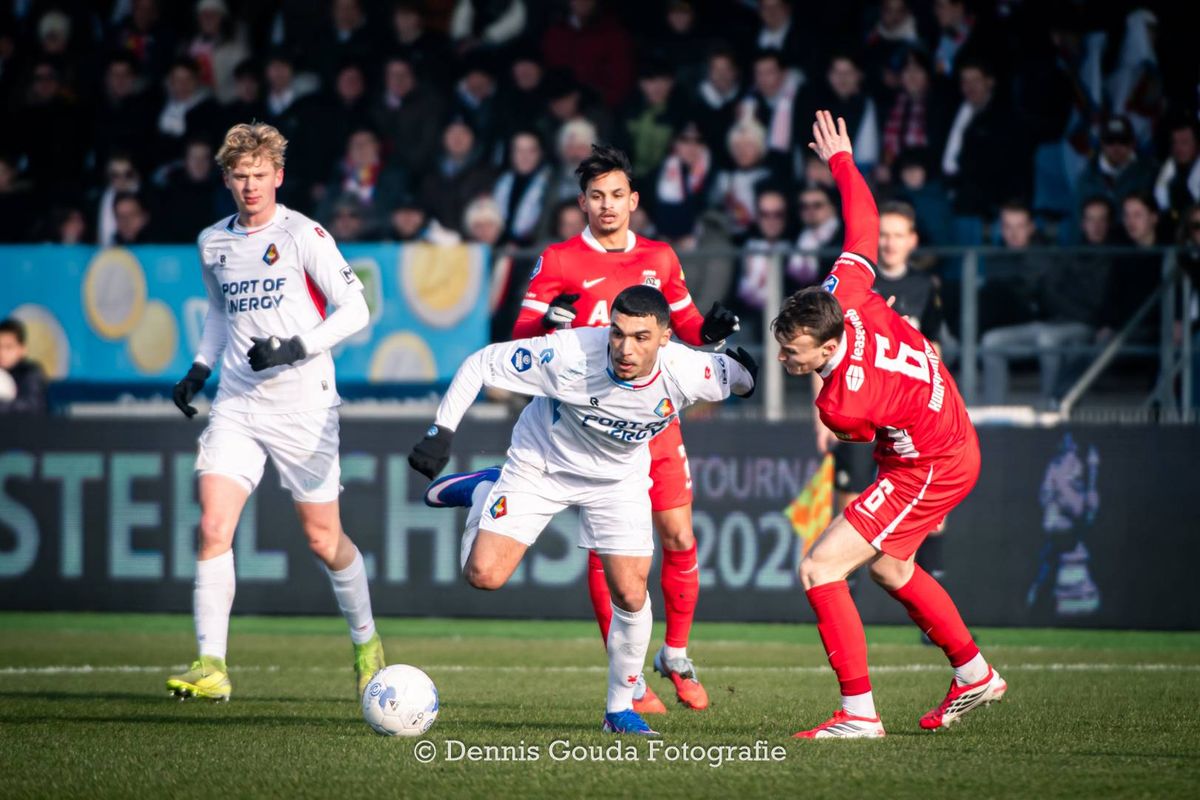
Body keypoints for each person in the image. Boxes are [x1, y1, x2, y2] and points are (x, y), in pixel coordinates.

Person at [407, 285, 756, 735]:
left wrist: (745, 372)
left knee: (631, 593)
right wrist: (441, 432)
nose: (625, 349)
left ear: (665, 337)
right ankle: (484, 491)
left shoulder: (691, 371)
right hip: (541, 464)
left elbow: (740, 376)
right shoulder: (569, 353)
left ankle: (618, 711)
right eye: (618, 333)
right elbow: (481, 363)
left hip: (618, 480)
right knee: (484, 576)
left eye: (641, 338)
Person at [779, 111, 1004, 738]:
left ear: (826, 348)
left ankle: (859, 714)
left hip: (928, 463)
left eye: (794, 353)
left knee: (820, 568)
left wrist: (848, 371)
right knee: (890, 568)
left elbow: (854, 427)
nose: (785, 360)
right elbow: (866, 224)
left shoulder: (840, 403)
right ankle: (975, 673)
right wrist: (843, 162)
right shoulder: (847, 293)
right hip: (948, 435)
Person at [509, 144, 742, 714]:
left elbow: (685, 326)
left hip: (654, 420)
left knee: (679, 536)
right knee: (609, 555)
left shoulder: (660, 257)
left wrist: (710, 331)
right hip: (590, 430)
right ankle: (630, 682)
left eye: (616, 195)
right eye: (596, 196)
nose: (607, 205)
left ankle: (676, 654)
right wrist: (548, 324)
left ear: (634, 200)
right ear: (582, 203)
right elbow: (518, 338)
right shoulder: (559, 260)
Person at [165, 122, 384, 702]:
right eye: (240, 175)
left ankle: (367, 643)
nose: (250, 185)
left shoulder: (303, 234)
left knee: (323, 539)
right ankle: (212, 665)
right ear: (226, 179)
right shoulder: (213, 242)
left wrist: (296, 347)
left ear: (279, 176)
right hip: (237, 403)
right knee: (213, 526)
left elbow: (356, 309)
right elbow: (220, 312)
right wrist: (199, 368)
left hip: (304, 405)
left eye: (260, 175)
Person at [813, 200, 948, 612]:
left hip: (909, 417)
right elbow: (822, 350)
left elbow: (934, 350)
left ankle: (928, 607)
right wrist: (819, 418)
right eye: (883, 234)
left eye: (897, 235)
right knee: (851, 502)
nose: (889, 243)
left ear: (912, 240)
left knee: (930, 515)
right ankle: (846, 602)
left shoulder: (925, 288)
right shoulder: (855, 285)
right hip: (858, 407)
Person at [0, 319, 48, 415]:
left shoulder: (31, 373)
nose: (2, 353)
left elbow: (32, 406)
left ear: (22, 349)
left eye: (8, 347)